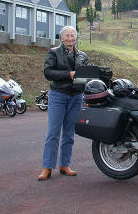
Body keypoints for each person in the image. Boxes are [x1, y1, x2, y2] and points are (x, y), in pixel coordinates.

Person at [37, 26, 89, 181]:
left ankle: (65, 164)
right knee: (53, 132)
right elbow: (48, 73)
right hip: (58, 95)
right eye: (67, 36)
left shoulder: (82, 56)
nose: (70, 38)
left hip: (76, 96)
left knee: (69, 133)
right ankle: (47, 167)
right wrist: (68, 74)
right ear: (61, 38)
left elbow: (87, 74)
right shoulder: (53, 53)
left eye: (73, 35)